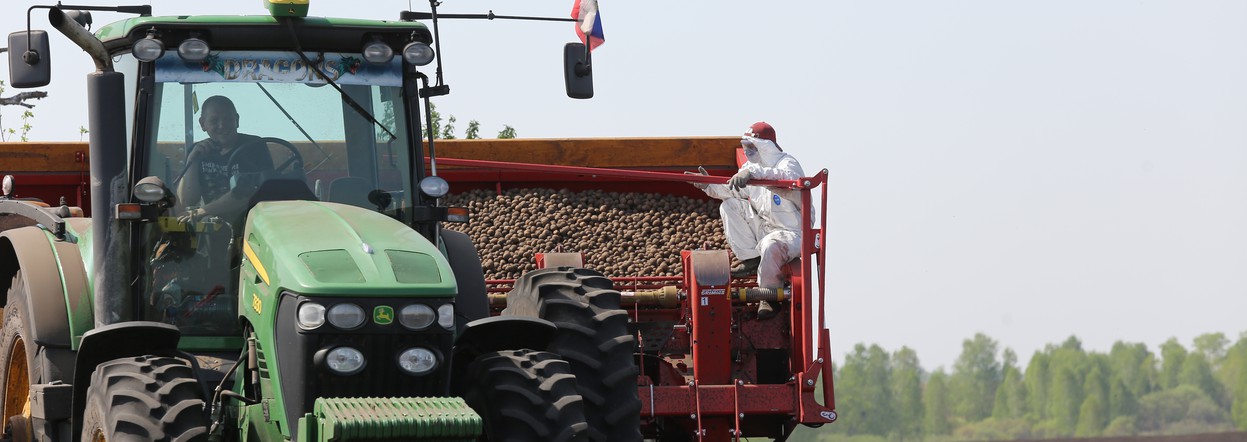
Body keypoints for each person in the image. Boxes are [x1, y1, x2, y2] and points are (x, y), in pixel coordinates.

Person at [692, 122, 807, 318]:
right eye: (746, 147)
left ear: (765, 147)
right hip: (766, 227)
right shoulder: (750, 168)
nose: (748, 152)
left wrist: (753, 174)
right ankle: (751, 259)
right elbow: (731, 189)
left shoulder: (787, 163)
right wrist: (707, 185)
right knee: (730, 205)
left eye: (752, 147)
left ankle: (769, 298)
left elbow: (784, 178)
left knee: (772, 244)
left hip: (793, 233)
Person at [177, 95, 274, 223]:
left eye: (227, 119)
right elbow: (187, 201)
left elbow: (245, 193)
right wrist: (193, 161)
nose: (222, 125)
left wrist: (201, 211)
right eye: (214, 120)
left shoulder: (254, 146)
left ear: (237, 120)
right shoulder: (197, 151)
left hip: (251, 221)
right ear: (203, 124)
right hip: (213, 221)